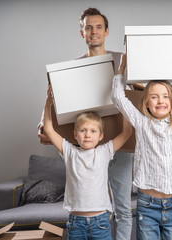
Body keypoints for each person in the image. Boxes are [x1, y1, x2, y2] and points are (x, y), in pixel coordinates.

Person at [37, 8, 136, 240]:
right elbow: (58, 101)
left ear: (106, 31)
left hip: (118, 146)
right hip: (86, 148)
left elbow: (138, 95)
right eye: (88, 27)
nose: (94, 32)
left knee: (122, 207)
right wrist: (42, 124)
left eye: (98, 27)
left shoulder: (122, 60)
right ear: (82, 33)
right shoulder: (74, 67)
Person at [111, 53, 172, 240]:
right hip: (147, 206)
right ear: (146, 102)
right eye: (154, 97)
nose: (161, 101)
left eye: (165, 96)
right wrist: (122, 68)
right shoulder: (141, 123)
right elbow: (118, 97)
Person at [43, 86, 132, 240]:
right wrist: (48, 104)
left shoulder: (104, 152)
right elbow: (49, 131)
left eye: (93, 131)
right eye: (83, 130)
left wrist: (122, 102)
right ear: (75, 134)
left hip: (101, 222)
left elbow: (126, 133)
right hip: (76, 223)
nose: (87, 135)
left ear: (101, 136)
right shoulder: (70, 152)